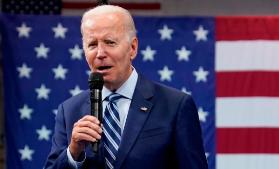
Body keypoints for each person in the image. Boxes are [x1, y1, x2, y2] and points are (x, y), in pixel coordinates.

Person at [44, 5, 208, 169]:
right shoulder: (69, 110)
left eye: (110, 42)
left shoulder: (175, 106)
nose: (100, 53)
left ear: (133, 48)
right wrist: (73, 153)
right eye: (92, 44)